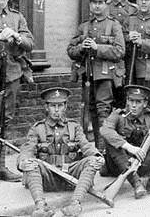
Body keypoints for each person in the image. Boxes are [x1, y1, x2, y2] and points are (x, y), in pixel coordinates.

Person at [17, 87, 104, 217]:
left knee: (92, 161)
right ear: (46, 107)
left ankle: (75, 204)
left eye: (60, 105)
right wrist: (23, 162)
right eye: (53, 106)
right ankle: (40, 207)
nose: (57, 110)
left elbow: (86, 146)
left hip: (70, 175)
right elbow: (27, 149)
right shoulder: (38, 129)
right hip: (47, 177)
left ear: (65, 106)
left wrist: (97, 156)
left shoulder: (74, 127)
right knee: (31, 163)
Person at [0, 0, 34, 182]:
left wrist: (16, 37)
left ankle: (1, 166)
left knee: (5, 119)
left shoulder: (17, 17)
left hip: (11, 73)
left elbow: (30, 44)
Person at [67, 0, 125, 152]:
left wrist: (97, 47)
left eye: (100, 3)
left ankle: (104, 149)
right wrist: (82, 47)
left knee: (102, 110)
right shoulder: (84, 27)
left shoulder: (114, 25)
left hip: (105, 74)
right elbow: (71, 51)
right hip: (88, 74)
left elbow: (120, 51)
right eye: (94, 3)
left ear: (106, 4)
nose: (97, 6)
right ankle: (94, 149)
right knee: (90, 109)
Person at [103, 0, 137, 109]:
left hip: (129, 56)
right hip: (111, 54)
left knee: (126, 90)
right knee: (108, 90)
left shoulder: (134, 9)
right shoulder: (106, 6)